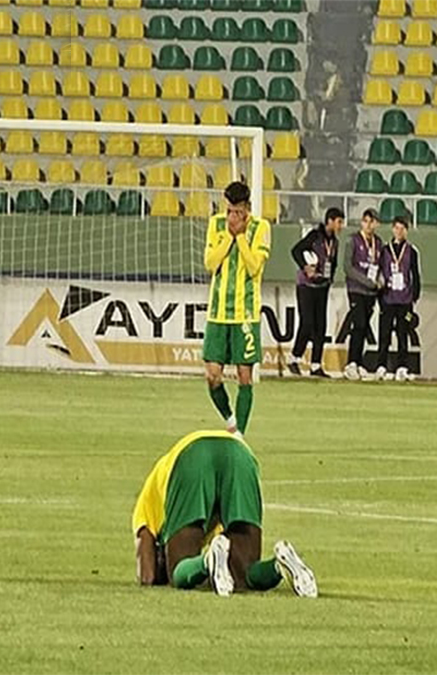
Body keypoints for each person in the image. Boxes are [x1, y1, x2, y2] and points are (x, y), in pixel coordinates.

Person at [132, 430, 317, 598]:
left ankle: (206, 561)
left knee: (178, 572)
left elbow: (146, 576)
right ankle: (279, 565)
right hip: (240, 454)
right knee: (242, 574)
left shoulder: (147, 513)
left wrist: (160, 573)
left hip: (191, 457)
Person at [202, 182, 271, 437]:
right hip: (218, 312)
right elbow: (210, 263)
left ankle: (239, 435)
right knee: (212, 376)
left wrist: (241, 236)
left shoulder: (261, 228)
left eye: (238, 211)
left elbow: (254, 267)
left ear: (246, 208)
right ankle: (230, 419)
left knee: (244, 376)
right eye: (229, 210)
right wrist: (230, 236)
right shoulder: (216, 225)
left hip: (246, 313)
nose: (232, 216)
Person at [288, 208, 344, 378]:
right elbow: (296, 251)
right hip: (306, 286)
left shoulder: (335, 241)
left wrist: (329, 279)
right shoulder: (314, 235)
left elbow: (333, 263)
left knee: (321, 326)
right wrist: (305, 268)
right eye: (339, 222)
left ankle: (315, 365)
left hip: (322, 287)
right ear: (330, 221)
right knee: (307, 323)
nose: (341, 226)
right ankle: (294, 358)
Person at [375, 216, 422, 382]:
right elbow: (379, 272)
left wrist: (414, 296)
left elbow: (415, 274)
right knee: (384, 334)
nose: (399, 231)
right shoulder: (385, 250)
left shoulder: (412, 250)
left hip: (405, 300)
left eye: (403, 228)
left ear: (406, 231)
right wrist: (379, 296)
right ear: (392, 229)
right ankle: (381, 366)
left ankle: (402, 367)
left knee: (403, 334)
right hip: (388, 298)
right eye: (397, 228)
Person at [343, 209, 385, 381]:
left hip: (371, 292)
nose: (368, 224)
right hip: (356, 289)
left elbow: (380, 265)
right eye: (365, 221)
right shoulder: (352, 240)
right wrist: (367, 281)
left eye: (372, 221)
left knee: (364, 327)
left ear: (377, 224)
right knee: (358, 324)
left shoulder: (378, 242)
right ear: (362, 222)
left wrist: (380, 281)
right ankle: (351, 363)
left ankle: (358, 362)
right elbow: (347, 267)